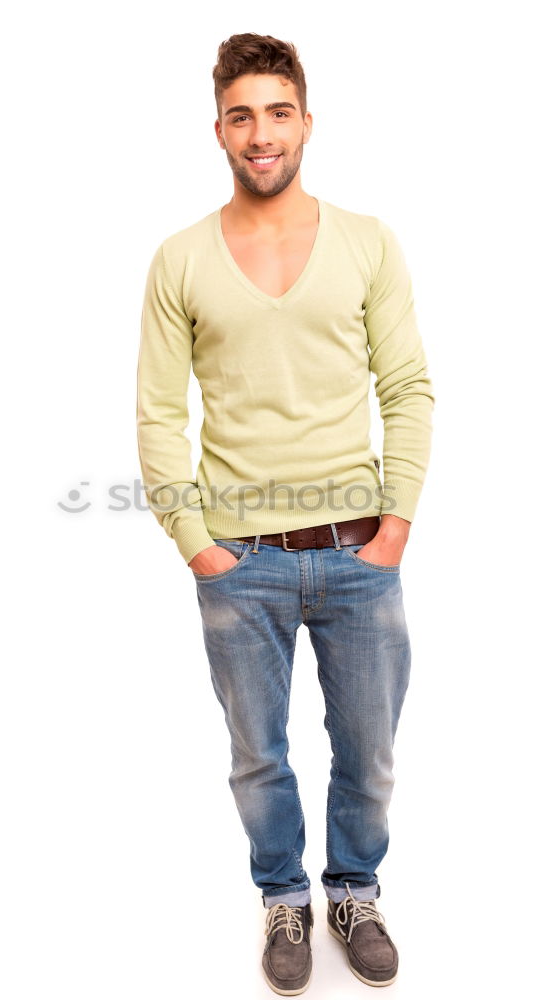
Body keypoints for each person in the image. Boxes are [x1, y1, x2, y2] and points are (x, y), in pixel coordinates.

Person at [136, 32, 435, 996]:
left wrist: (395, 527)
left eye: (276, 112)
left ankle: (352, 887)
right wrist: (194, 540)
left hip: (358, 553)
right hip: (239, 561)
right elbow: (155, 411)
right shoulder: (180, 258)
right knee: (258, 755)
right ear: (218, 131)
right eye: (240, 116)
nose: (259, 133)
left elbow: (409, 387)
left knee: (371, 751)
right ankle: (283, 900)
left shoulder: (368, 241)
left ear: (306, 121)